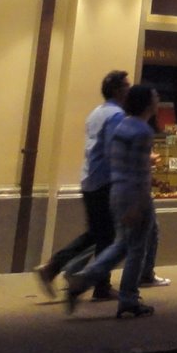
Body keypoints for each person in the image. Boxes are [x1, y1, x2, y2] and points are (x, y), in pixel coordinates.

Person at [34, 70, 129, 301]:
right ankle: (96, 284)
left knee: (99, 233)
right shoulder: (116, 115)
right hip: (105, 181)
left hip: (89, 179)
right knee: (108, 236)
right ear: (117, 90)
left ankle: (56, 268)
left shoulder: (96, 113)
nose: (130, 89)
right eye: (126, 85)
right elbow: (112, 151)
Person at [67, 84, 160, 317]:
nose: (158, 101)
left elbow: (112, 159)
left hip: (116, 190)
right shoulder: (142, 131)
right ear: (147, 103)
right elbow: (140, 173)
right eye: (155, 97)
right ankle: (129, 299)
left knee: (121, 244)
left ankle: (83, 279)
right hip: (134, 194)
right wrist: (139, 204)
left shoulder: (122, 126)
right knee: (137, 249)